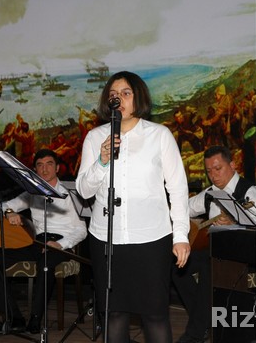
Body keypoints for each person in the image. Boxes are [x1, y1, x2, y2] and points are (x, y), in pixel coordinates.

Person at [76, 70, 191, 343]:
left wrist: (181, 235)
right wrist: (102, 160)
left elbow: (177, 188)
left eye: (126, 93)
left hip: (151, 239)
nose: (119, 99)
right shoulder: (95, 137)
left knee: (155, 315)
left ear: (138, 97)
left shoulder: (159, 135)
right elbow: (83, 190)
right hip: (106, 239)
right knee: (113, 314)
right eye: (113, 94)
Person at [0, 149, 87, 334]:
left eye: (49, 164)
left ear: (57, 168)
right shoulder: (31, 192)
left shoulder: (71, 194)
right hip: (36, 243)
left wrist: (60, 244)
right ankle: (15, 318)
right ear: (34, 170)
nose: (44, 169)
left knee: (45, 263)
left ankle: (36, 320)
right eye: (40, 165)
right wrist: (10, 213)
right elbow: (1, 206)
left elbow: (82, 231)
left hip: (61, 245)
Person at [172, 145, 256, 343]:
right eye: (209, 171)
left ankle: (195, 333)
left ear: (232, 165)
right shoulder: (210, 193)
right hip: (215, 252)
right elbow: (185, 209)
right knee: (177, 265)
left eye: (218, 169)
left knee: (209, 266)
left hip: (245, 255)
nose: (213, 175)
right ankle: (204, 319)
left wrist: (235, 220)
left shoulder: (249, 191)